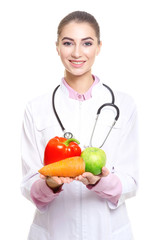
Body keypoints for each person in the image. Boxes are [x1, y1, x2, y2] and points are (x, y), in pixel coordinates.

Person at [21, 11, 138, 240]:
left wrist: (100, 182)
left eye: (87, 43)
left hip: (108, 231)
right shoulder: (36, 108)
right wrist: (50, 184)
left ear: (99, 47)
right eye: (68, 43)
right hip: (54, 232)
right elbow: (28, 184)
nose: (76, 52)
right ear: (57, 47)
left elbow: (131, 182)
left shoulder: (124, 105)